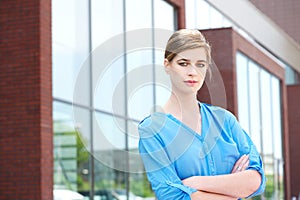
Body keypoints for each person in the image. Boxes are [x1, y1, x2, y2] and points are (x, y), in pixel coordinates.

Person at [138, 29, 266, 200]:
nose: (193, 72)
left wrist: (196, 183)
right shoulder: (152, 130)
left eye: (200, 64)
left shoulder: (225, 121)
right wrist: (233, 190)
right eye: (183, 63)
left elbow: (256, 181)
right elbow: (172, 195)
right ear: (167, 66)